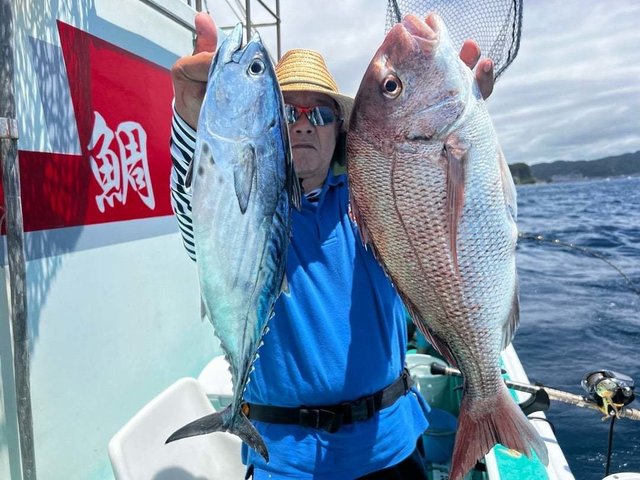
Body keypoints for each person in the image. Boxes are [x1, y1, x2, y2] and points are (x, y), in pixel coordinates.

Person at [169, 12, 495, 480]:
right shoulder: (246, 214)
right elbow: (196, 206)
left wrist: (458, 130)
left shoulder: (375, 200)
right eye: (288, 112)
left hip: (392, 444)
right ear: (267, 123)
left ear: (339, 128)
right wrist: (189, 119)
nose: (304, 125)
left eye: (320, 114)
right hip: (286, 460)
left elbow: (444, 219)